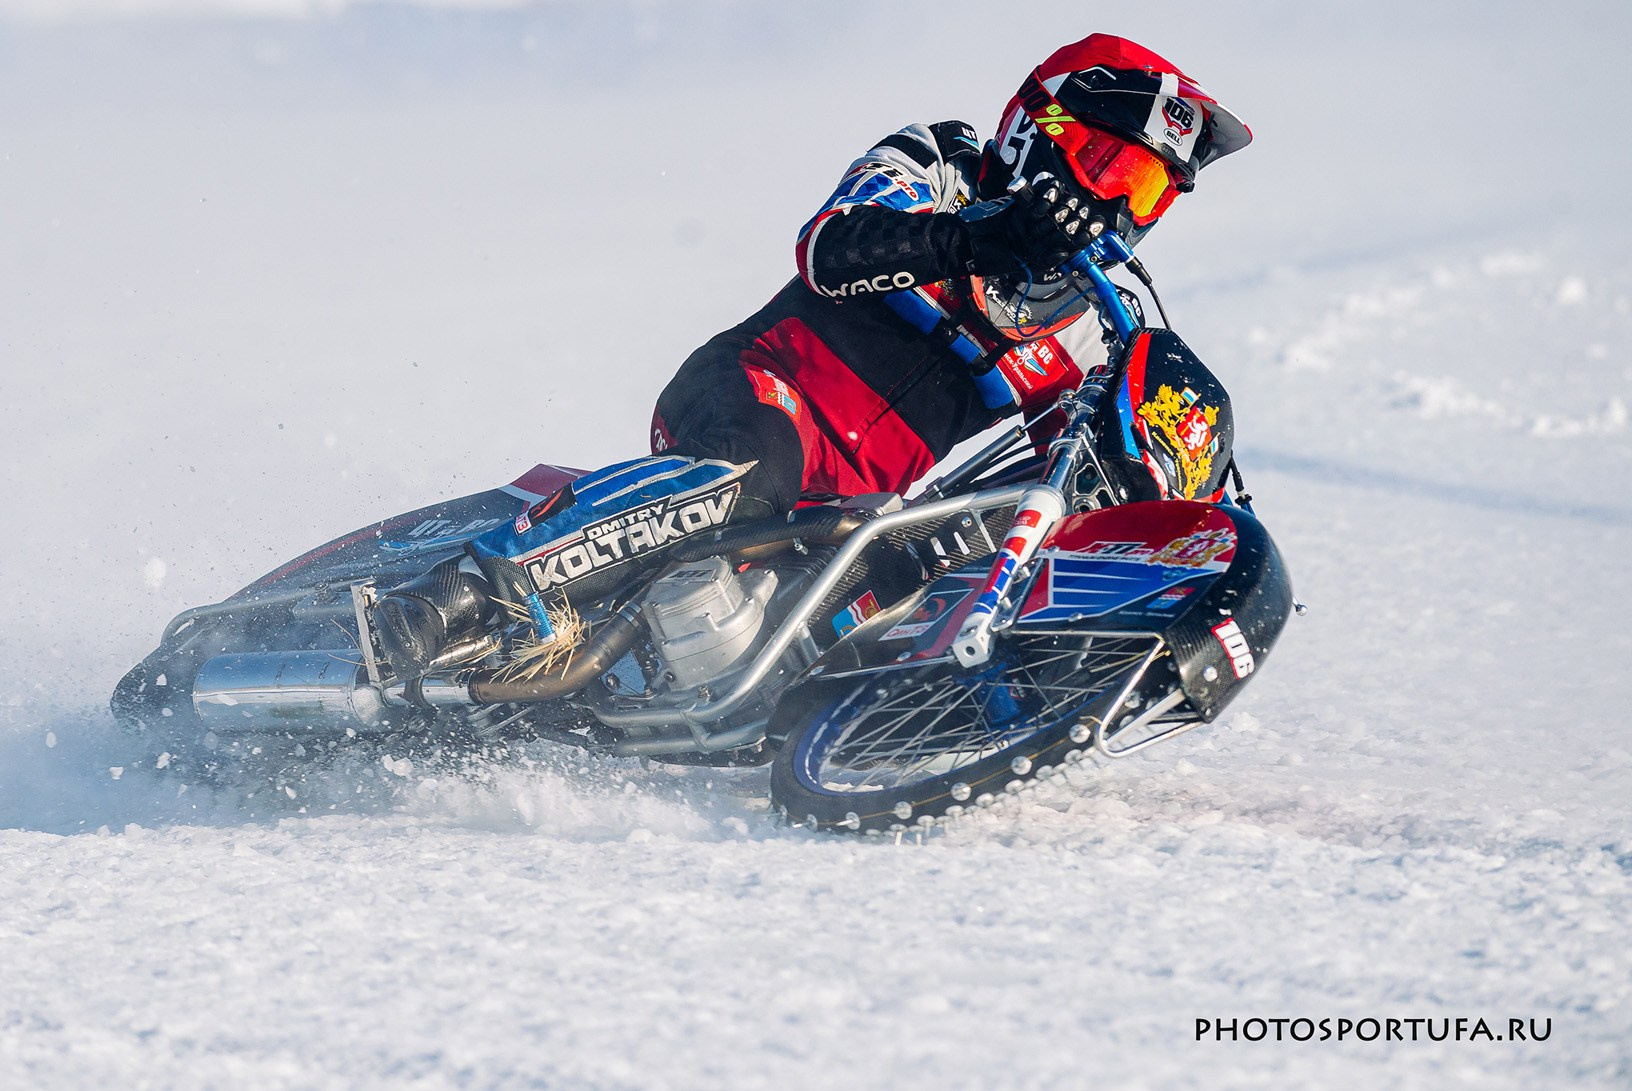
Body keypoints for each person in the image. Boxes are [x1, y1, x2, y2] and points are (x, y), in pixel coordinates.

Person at [373, 33, 1252, 674]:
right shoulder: (943, 163)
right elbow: (830, 249)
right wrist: (981, 238)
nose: (1118, 208)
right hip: (755, 390)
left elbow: (1070, 468)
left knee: (890, 588)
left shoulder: (1075, 324)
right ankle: (458, 590)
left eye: (1146, 193)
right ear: (1040, 128)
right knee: (750, 473)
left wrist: (1183, 481)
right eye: (1109, 168)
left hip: (853, 511)